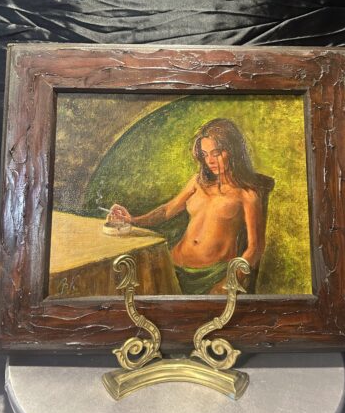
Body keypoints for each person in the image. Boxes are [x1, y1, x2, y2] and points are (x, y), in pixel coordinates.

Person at [109, 118, 274, 295]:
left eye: (216, 153)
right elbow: (166, 211)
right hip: (173, 267)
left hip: (213, 275)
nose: (210, 161)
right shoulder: (197, 182)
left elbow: (255, 248)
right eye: (205, 154)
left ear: (233, 151)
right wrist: (133, 220)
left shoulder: (247, 195)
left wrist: (230, 282)